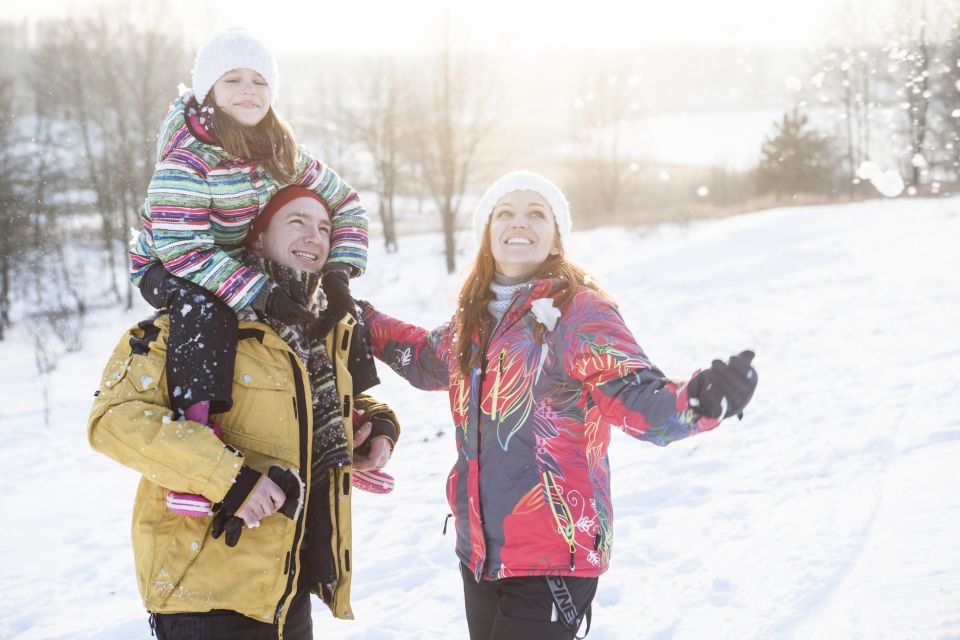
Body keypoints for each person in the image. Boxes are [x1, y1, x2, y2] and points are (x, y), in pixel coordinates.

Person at [359, 171, 758, 639]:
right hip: (481, 554)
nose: (519, 223)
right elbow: (424, 358)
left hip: (554, 555)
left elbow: (638, 397)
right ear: (487, 235)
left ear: (555, 239)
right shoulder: (475, 319)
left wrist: (697, 401)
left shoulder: (578, 312)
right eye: (504, 213)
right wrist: (360, 318)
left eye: (536, 213)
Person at [89, 186, 397, 639]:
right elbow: (113, 420)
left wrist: (376, 425)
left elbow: (316, 403)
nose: (314, 236)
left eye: (325, 227)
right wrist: (229, 479)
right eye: (297, 222)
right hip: (206, 593)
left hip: (285, 586)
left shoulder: (317, 329)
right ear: (256, 236)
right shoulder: (194, 320)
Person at [130, 28, 368, 441]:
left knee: (324, 299)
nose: (248, 90)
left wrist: (338, 272)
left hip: (230, 258)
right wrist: (259, 293)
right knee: (205, 304)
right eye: (233, 79)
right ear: (209, 90)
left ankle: (353, 414)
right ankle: (197, 425)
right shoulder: (187, 159)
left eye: (259, 81)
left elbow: (346, 203)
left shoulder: (278, 152)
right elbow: (185, 253)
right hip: (166, 264)